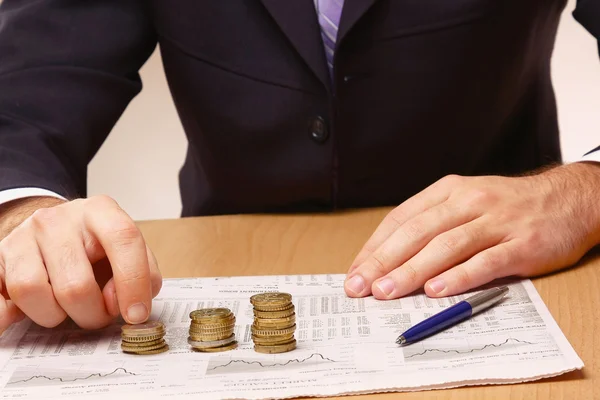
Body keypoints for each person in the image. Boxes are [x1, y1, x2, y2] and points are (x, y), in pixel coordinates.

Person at [0, 0, 599, 332]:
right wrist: (23, 206)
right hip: (223, 254)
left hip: (509, 278)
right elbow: (31, 77)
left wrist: (586, 193)